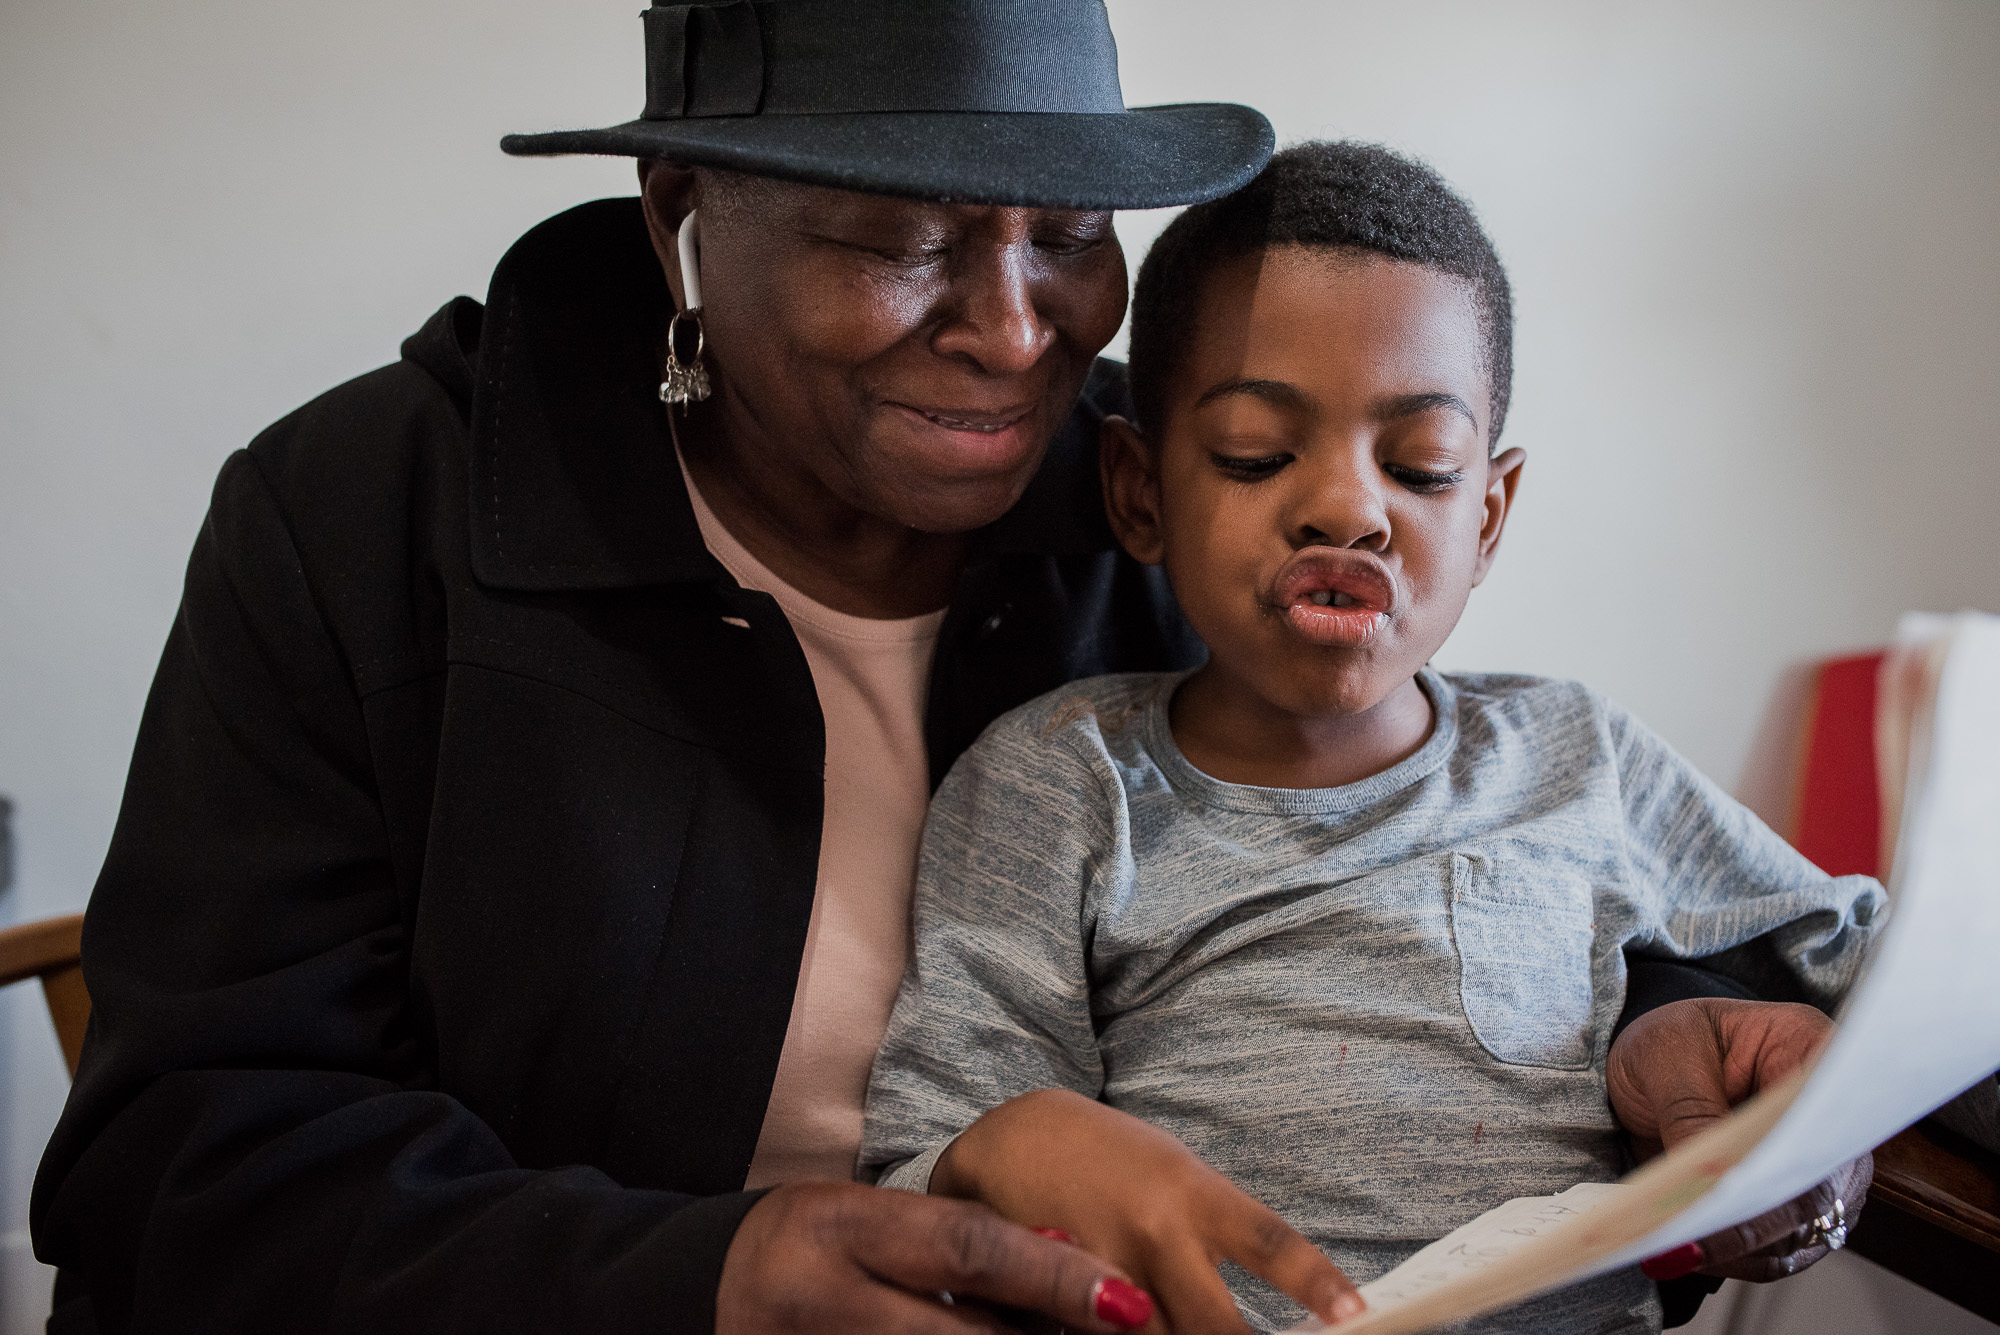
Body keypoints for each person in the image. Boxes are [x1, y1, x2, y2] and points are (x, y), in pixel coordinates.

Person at [28, 5, 1863, 1332]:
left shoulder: (1182, 497)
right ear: (683, 209)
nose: (1011, 330)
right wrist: (714, 1277)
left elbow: (1485, 841)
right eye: (895, 239)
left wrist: (1660, 1044)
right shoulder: (373, 515)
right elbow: (183, 1162)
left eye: (1067, 238)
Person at [859, 143, 1882, 1334]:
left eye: (1419, 467)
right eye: (1254, 454)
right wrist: (1010, 1149)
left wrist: (1822, 1104)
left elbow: (1869, 965)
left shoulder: (1578, 755)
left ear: (1488, 514)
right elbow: (928, 1154)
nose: (1347, 507)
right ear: (1138, 491)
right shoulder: (1062, 779)